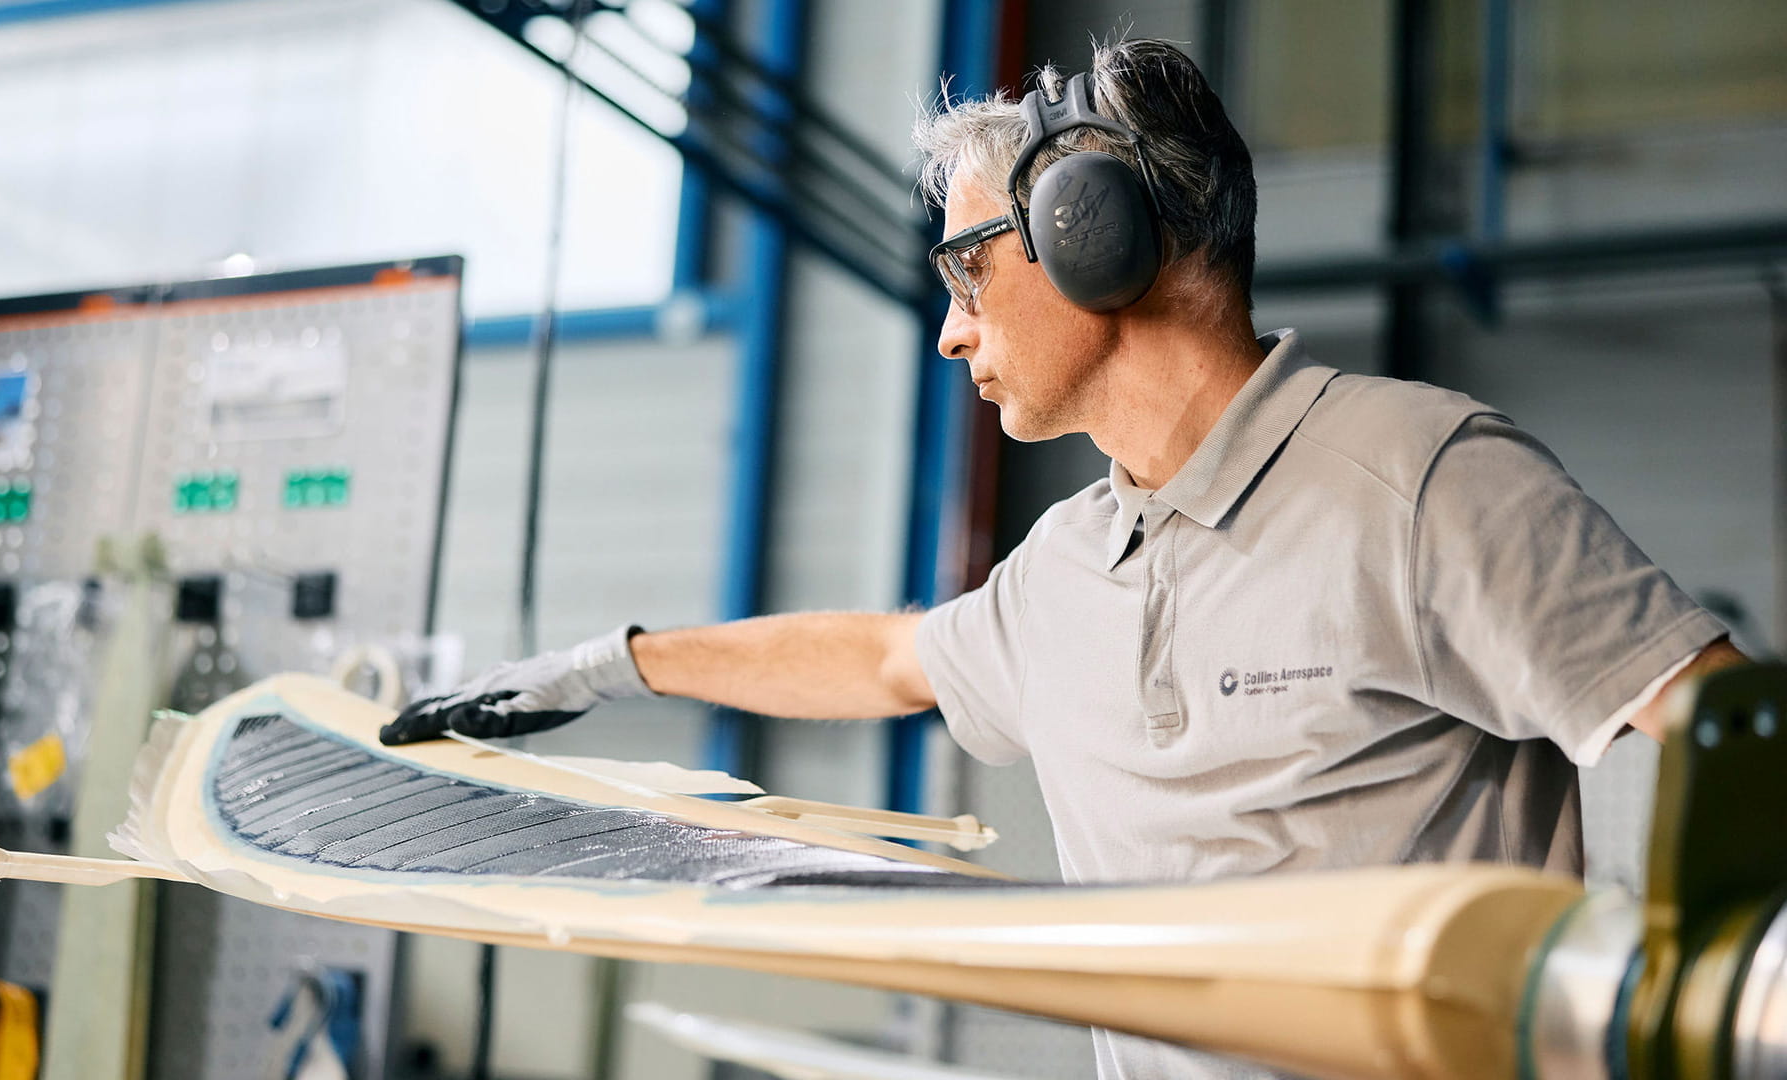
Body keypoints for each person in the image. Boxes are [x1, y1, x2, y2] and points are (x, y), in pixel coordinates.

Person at [381, 37, 1744, 1080]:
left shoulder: (1417, 483)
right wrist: (605, 670)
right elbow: (885, 658)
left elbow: (1723, 733)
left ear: (1091, 237)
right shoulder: (1065, 568)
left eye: (969, 274)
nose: (951, 332)